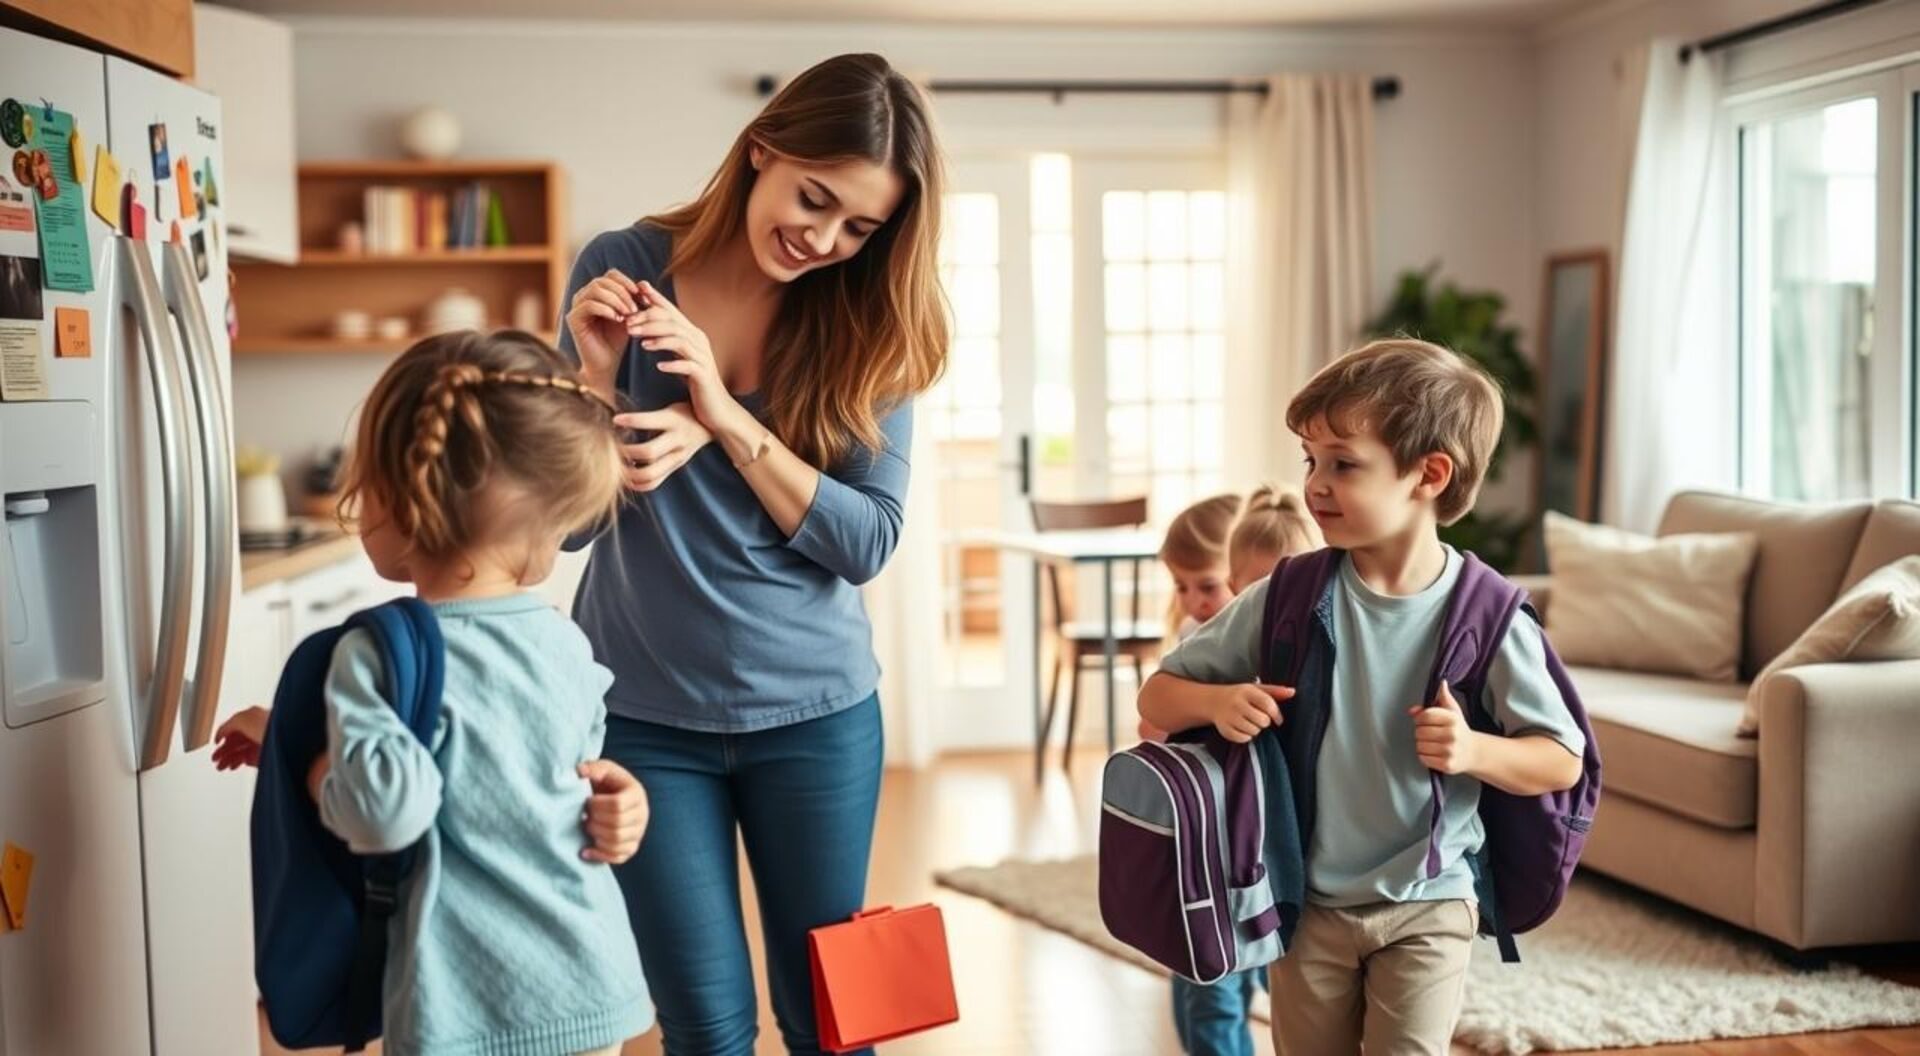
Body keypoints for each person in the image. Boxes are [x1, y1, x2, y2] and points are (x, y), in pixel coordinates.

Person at [558, 52, 948, 1056]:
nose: (823, 239)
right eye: (815, 199)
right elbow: (558, 526)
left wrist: (726, 421)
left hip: (816, 721)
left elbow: (867, 541)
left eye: (858, 227)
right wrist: (599, 390)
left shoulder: (870, 318)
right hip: (643, 721)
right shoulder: (625, 265)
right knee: (704, 1027)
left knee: (832, 1022)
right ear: (762, 149)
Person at [1138, 339, 1587, 1055]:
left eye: (1343, 463)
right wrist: (1216, 705)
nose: (1316, 484)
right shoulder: (1287, 594)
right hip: (1308, 905)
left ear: (1428, 475)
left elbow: (1562, 761)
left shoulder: (1488, 614)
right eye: (1310, 461)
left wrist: (1474, 749)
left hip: (1431, 904)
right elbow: (1158, 696)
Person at [214, 330, 653, 1056]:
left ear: (395, 498)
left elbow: (386, 815)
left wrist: (310, 762)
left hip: (468, 1007)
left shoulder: (374, 654)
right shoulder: (564, 643)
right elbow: (572, 780)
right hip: (589, 982)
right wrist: (623, 806)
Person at [1156, 486, 1318, 1056]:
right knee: (1208, 981)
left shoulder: (1308, 656)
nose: (1199, 600)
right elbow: (1154, 723)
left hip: (1268, 853)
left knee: (1238, 972)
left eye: (1208, 586)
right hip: (1213, 847)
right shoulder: (1203, 651)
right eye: (1185, 587)